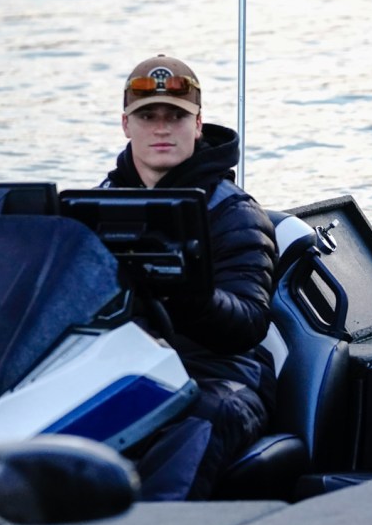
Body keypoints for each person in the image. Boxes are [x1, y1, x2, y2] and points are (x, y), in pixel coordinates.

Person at [101, 53, 282, 500]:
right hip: (120, 367)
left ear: (197, 125)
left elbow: (249, 323)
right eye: (148, 116)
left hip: (220, 375)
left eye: (176, 116)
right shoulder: (97, 203)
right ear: (126, 125)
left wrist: (189, 293)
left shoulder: (234, 212)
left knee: (206, 415)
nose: (162, 128)